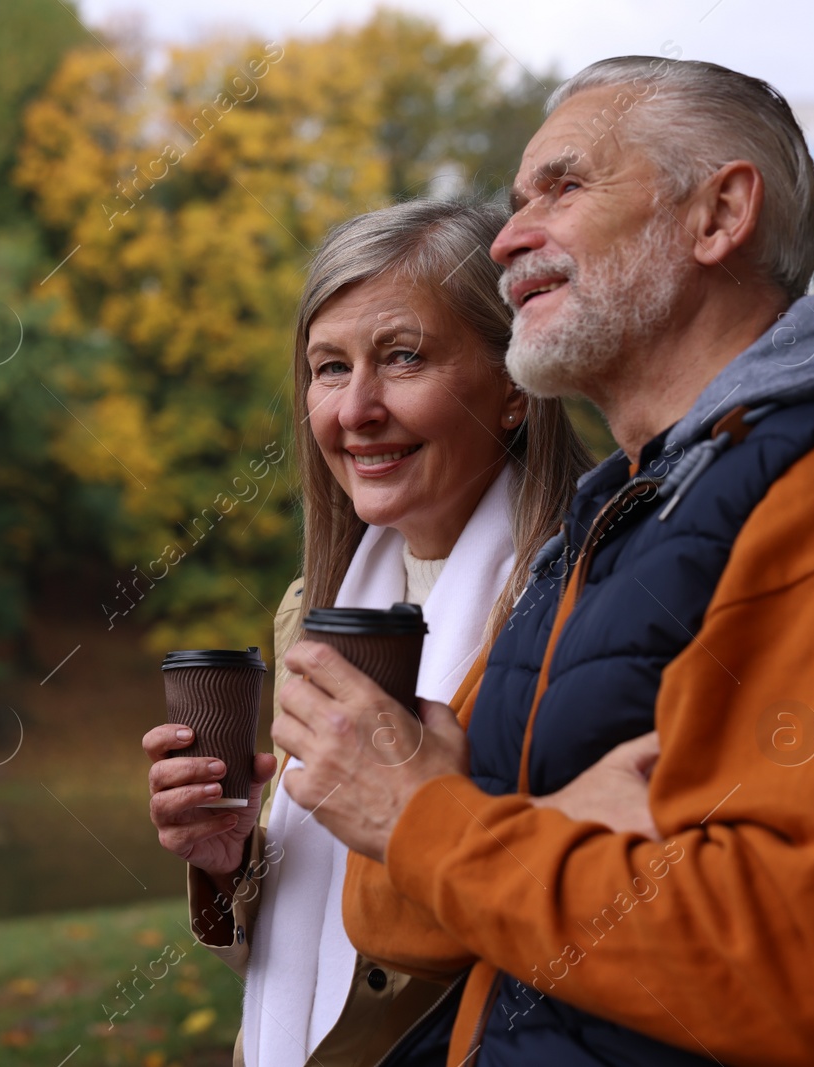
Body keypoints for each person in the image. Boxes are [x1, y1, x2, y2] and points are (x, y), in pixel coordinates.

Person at [271, 56, 814, 1064]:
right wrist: (532, 821)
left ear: (719, 214)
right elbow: (394, 911)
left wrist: (435, 818)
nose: (510, 235)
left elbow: (803, 977)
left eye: (563, 187)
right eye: (516, 200)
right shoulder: (604, 522)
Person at [143, 196, 608, 1067]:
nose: (355, 409)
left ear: (515, 385)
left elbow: (595, 926)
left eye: (402, 358)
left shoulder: (586, 597)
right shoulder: (312, 609)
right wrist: (228, 856)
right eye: (328, 368)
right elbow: (304, 950)